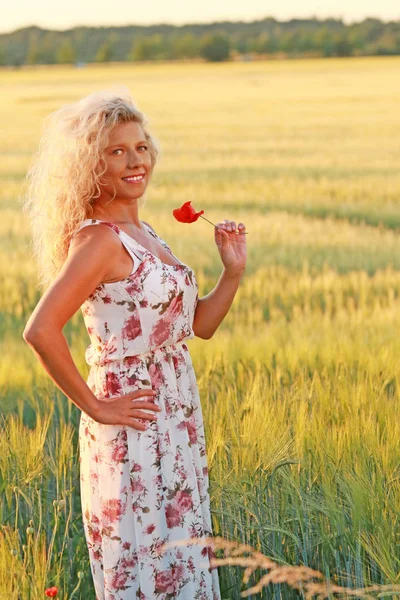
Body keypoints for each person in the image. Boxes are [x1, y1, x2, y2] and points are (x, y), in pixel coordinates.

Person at [22, 89, 247, 600]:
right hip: (133, 426)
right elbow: (40, 329)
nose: (135, 160)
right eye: (116, 151)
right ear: (89, 166)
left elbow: (199, 327)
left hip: (176, 417)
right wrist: (98, 406)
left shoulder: (146, 233)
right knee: (143, 563)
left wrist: (232, 273)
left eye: (141, 147)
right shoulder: (99, 240)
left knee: (180, 561)